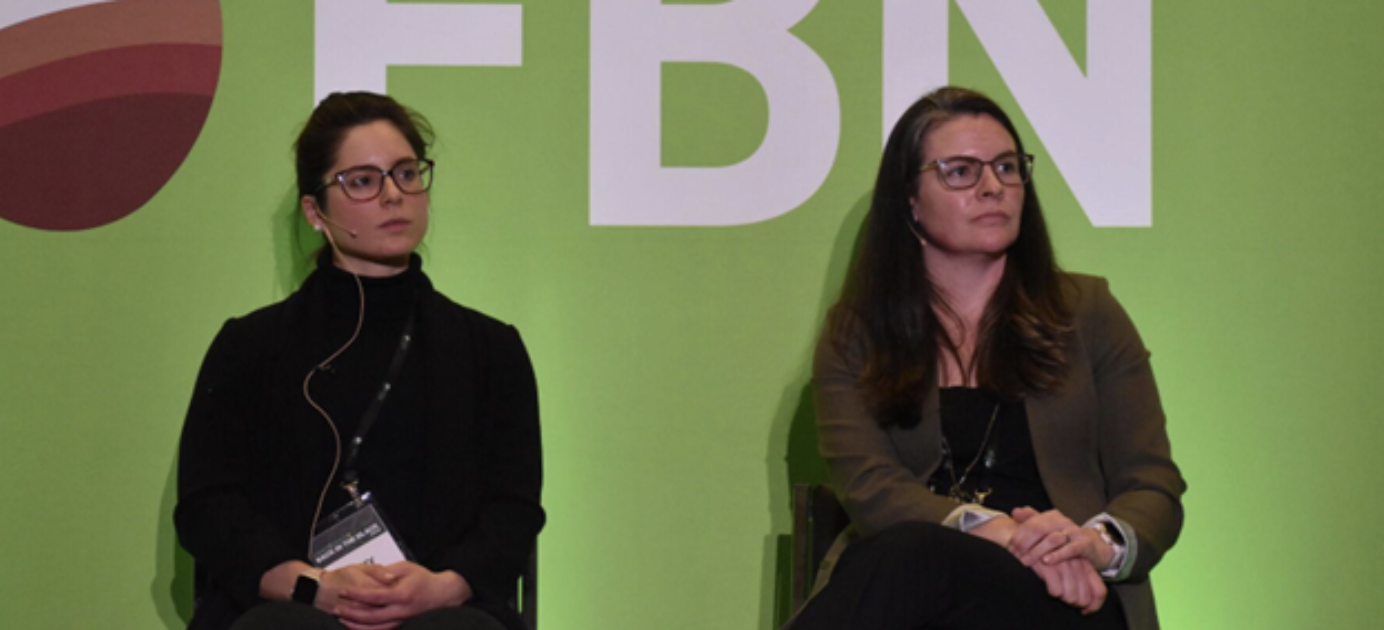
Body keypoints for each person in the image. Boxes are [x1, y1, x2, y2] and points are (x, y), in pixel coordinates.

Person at [787, 87, 1185, 630]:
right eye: (960, 172)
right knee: (916, 554)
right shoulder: (856, 334)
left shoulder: (1088, 312)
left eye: (1006, 167)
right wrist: (993, 528)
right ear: (909, 199)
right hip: (919, 591)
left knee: (914, 558)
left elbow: (1152, 484)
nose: (993, 186)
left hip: (1066, 594)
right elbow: (870, 487)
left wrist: (1092, 545)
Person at [176, 92, 544, 630]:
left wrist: (442, 587)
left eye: (406, 173)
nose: (393, 195)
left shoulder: (490, 348)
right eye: (363, 181)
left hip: (443, 610)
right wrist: (314, 588)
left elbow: (512, 511)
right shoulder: (250, 346)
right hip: (293, 607)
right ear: (314, 211)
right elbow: (208, 507)